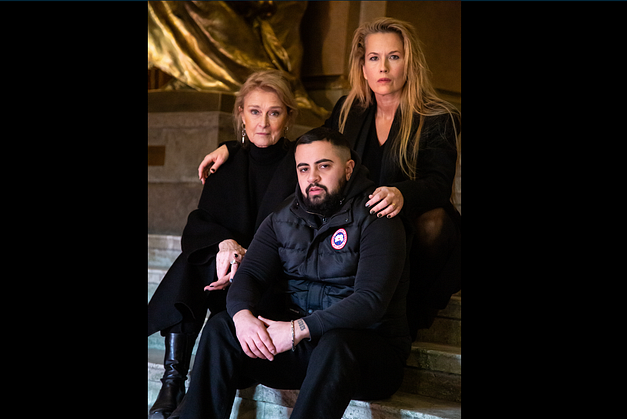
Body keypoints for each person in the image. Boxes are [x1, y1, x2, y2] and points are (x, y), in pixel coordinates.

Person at [197, 17, 461, 339]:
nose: (383, 68)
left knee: (434, 224)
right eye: (374, 58)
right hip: (356, 219)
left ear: (409, 63)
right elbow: (309, 150)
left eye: (394, 57)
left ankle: (409, 314)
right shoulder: (349, 110)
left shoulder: (437, 116)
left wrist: (400, 193)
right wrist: (236, 148)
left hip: (402, 218)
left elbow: (438, 184)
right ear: (363, 67)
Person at [174, 127, 410, 419]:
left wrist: (297, 329)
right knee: (222, 328)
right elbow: (249, 275)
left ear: (348, 169)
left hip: (366, 356)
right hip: (300, 349)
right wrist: (242, 317)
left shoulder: (377, 216)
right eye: (303, 168)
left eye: (324, 166)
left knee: (336, 346)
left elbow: (370, 301)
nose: (312, 178)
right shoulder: (282, 216)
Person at [147, 69, 299, 419]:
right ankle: (174, 379)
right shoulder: (228, 164)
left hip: (270, 281)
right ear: (241, 115)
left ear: (288, 117)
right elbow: (200, 222)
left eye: (274, 112)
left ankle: (175, 381)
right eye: (254, 111)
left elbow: (292, 235)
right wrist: (226, 244)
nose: (263, 122)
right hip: (222, 276)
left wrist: (247, 260)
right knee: (194, 257)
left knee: (194, 261)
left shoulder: (299, 163)